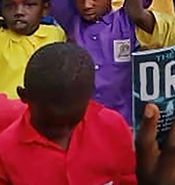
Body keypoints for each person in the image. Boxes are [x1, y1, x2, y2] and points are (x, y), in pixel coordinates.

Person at [0, 43, 136, 184]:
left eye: (73, 122)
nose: (63, 133)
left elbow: (127, 178)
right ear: (24, 96)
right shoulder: (5, 152)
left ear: (89, 97)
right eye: (49, 124)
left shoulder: (113, 127)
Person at [0, 0, 66, 99]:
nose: (19, 12)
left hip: (43, 111)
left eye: (29, 5)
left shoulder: (55, 34)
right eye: (10, 6)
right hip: (5, 112)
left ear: (45, 9)